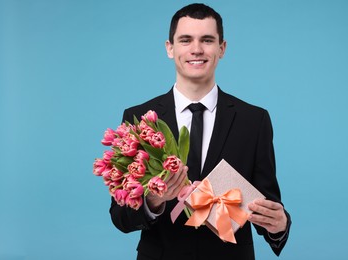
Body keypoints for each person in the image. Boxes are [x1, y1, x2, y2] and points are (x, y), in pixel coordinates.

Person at [110, 3, 291, 260]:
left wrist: (279, 225)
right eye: (186, 40)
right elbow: (120, 217)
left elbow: (268, 206)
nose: (196, 49)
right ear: (170, 48)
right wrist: (154, 201)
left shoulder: (254, 120)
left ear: (222, 48)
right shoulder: (139, 119)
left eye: (207, 40)